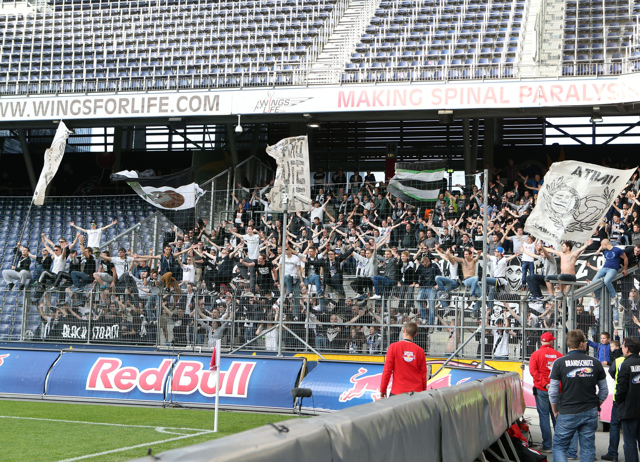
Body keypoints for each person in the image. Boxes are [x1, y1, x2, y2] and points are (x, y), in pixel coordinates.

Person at [549, 329, 608, 462]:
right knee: (587, 448)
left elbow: (552, 391)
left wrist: (555, 410)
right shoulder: (595, 362)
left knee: (559, 446)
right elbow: (604, 390)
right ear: (582, 344)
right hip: (589, 410)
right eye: (586, 342)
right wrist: (596, 404)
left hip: (567, 410)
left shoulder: (559, 363)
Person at [529, 332, 563, 454]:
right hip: (557, 390)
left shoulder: (535, 354)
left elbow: (534, 372)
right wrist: (553, 385)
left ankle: (547, 445)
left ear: (541, 341)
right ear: (552, 342)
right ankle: (560, 445)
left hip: (542, 389)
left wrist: (545, 384)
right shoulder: (559, 355)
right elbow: (562, 374)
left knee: (544, 417)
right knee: (557, 416)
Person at [379, 321, 427, 397]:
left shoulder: (393, 347)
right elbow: (423, 374)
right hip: (416, 392)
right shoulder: (420, 351)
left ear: (404, 330)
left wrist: (383, 389)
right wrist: (423, 391)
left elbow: (387, 371)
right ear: (415, 334)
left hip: (398, 391)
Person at [614, 337, 640, 462]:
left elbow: (621, 388)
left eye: (623, 346)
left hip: (629, 410)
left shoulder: (626, 364)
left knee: (629, 443)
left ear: (627, 349)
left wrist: (619, 402)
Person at [587, 239, 629, 311]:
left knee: (606, 280)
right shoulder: (605, 251)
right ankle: (598, 297)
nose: (602, 247)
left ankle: (613, 296)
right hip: (604, 268)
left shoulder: (617, 250)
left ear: (605, 244)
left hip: (613, 269)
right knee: (593, 281)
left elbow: (625, 258)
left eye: (602, 246)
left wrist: (625, 269)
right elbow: (599, 250)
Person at [602, 339, 624, 461]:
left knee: (615, 425)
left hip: (619, 398)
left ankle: (613, 453)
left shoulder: (618, 361)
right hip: (635, 400)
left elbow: (611, 373)